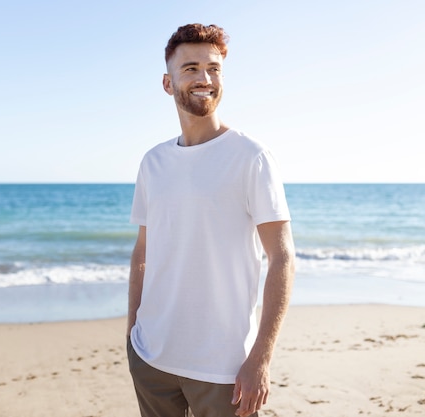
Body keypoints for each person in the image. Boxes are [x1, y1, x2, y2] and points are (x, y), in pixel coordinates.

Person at [127, 23, 295, 417]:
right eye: (190, 69)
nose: (205, 78)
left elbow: (282, 259)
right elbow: (143, 251)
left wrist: (261, 359)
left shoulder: (251, 157)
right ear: (168, 83)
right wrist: (132, 335)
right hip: (151, 358)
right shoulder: (153, 162)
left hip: (224, 369)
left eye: (214, 68)